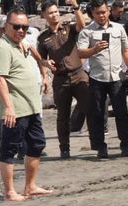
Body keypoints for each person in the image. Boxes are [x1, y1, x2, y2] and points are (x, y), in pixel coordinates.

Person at [0, 7, 52, 201]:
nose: (21, 30)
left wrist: (43, 64)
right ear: (6, 26)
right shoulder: (2, 47)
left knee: (37, 144)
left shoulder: (22, 43)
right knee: (9, 149)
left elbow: (33, 50)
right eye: (16, 26)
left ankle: (30, 186)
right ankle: (9, 192)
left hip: (32, 106)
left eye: (24, 27)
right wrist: (8, 107)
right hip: (15, 109)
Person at [77, 0, 128, 159]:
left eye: (104, 12)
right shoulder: (87, 32)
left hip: (117, 77)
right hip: (97, 77)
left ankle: (125, 145)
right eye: (98, 13)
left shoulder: (118, 28)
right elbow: (80, 53)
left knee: (121, 112)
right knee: (97, 114)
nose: (101, 15)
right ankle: (101, 147)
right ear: (93, 14)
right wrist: (94, 49)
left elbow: (126, 50)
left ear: (109, 11)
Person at [37, 0, 93, 159]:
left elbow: (82, 24)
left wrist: (76, 6)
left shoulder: (69, 29)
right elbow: (41, 59)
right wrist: (45, 64)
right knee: (62, 116)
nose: (54, 15)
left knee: (90, 109)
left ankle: (97, 144)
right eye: (50, 13)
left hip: (78, 74)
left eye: (56, 12)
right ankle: (64, 149)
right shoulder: (43, 38)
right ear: (44, 16)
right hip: (60, 80)